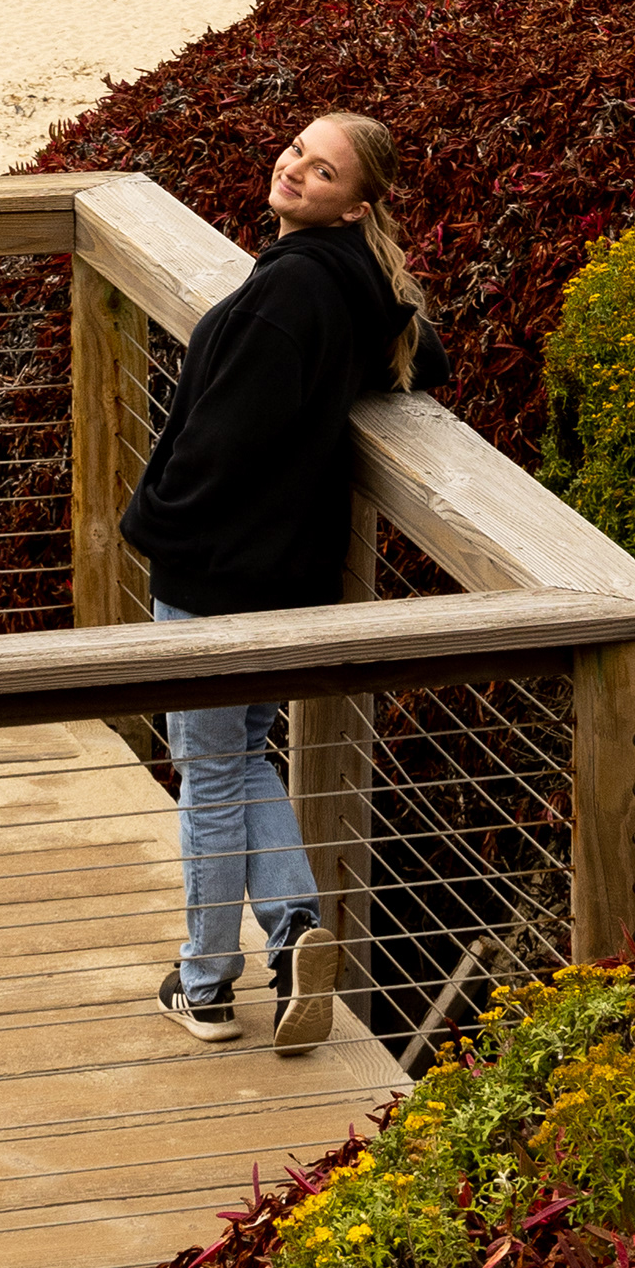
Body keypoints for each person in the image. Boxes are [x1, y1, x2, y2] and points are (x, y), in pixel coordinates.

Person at [118, 106, 445, 1052]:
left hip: (214, 574)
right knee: (242, 757)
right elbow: (429, 358)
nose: (297, 169)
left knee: (211, 778)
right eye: (298, 150)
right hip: (284, 574)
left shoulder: (286, 296)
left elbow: (220, 447)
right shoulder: (361, 284)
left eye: (324, 171)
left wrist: (156, 523)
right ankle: (296, 929)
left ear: (354, 206)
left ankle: (207, 986)